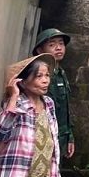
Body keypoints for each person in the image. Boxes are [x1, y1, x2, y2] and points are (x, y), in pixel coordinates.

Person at [33, 28, 74, 159]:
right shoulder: (36, 76)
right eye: (52, 44)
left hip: (60, 137)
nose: (58, 48)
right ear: (40, 50)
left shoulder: (61, 73)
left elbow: (65, 109)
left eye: (61, 44)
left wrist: (69, 136)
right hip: (43, 136)